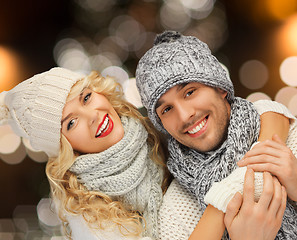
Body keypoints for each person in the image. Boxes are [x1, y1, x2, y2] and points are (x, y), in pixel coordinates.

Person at [0, 67, 287, 240]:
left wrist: (246, 173)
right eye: (71, 123)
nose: (93, 116)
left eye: (86, 97)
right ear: (63, 147)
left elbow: (259, 112)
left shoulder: (147, 129)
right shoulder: (89, 217)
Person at [135, 30, 297, 239]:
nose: (185, 116)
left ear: (220, 88)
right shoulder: (175, 212)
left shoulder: (289, 141)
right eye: (166, 110)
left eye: (190, 92)